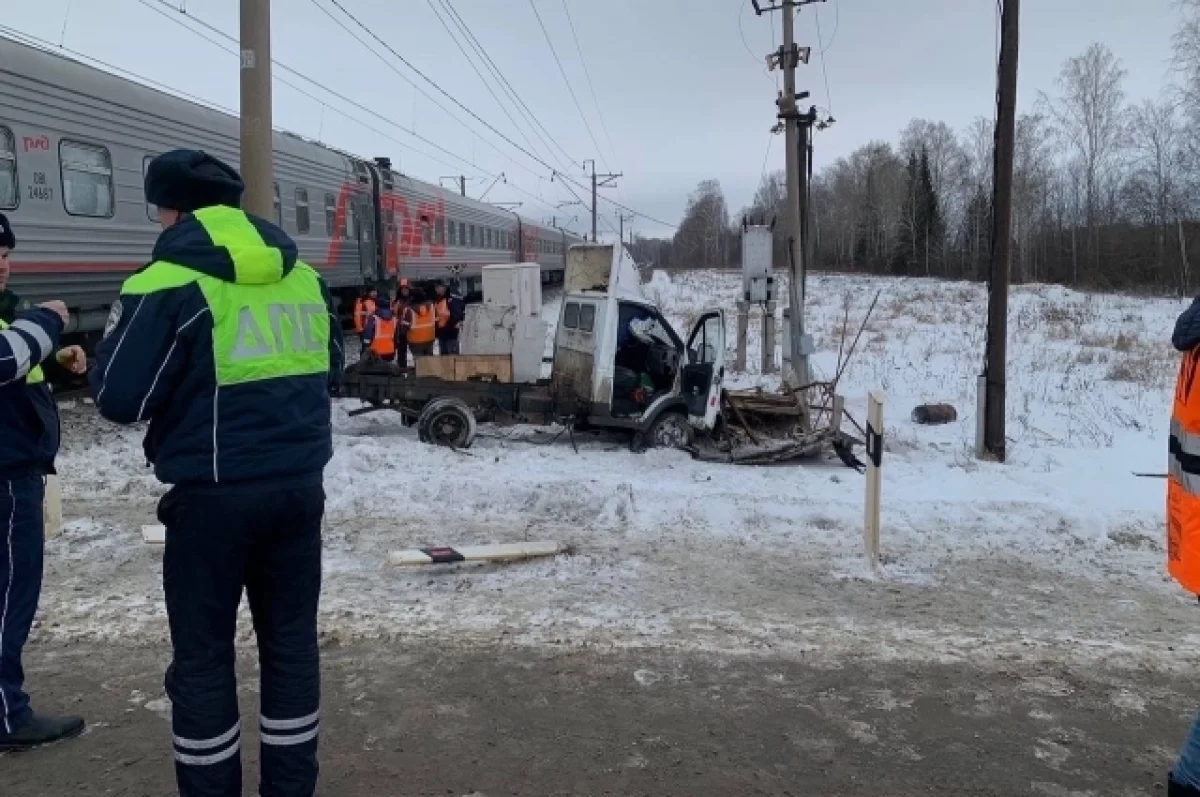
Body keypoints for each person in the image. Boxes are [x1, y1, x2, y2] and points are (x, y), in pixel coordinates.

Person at [90, 150, 342, 797]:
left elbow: (121, 396)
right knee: (291, 651)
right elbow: (330, 371)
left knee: (203, 661)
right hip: (298, 493)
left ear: (167, 209)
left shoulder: (168, 279)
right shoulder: (303, 278)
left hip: (210, 501)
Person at [0, 212, 87, 752]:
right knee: (9, 596)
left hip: (13, 471)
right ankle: (9, 717)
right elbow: (6, 360)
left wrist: (52, 361)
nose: (3, 268)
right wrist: (48, 320)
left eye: (6, 256)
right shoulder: (18, 322)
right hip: (5, 481)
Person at [433, 280, 464, 356]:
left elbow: (457, 315)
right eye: (436, 288)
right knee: (444, 359)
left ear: (444, 288)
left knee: (452, 357)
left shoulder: (451, 299)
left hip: (450, 334)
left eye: (439, 287)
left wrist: (450, 326)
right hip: (441, 334)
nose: (437, 290)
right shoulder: (437, 301)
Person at [362, 299, 398, 364]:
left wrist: (365, 345)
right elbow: (396, 335)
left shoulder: (373, 318)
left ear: (377, 306)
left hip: (375, 351)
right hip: (390, 350)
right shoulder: (394, 318)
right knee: (387, 368)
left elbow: (368, 334)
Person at [407, 289, 437, 358]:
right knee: (429, 361)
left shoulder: (409, 309)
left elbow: (405, 326)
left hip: (415, 340)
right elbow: (436, 320)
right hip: (429, 338)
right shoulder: (431, 306)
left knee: (419, 362)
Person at [391, 279, 414, 367]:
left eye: (406, 288)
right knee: (401, 352)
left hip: (413, 330)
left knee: (415, 352)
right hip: (401, 331)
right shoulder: (396, 302)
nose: (404, 290)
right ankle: (402, 369)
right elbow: (394, 315)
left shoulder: (414, 300)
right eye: (403, 289)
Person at [352, 287, 377, 352]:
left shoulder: (374, 301)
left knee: (372, 347)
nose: (375, 293)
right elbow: (357, 316)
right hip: (365, 329)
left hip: (372, 329)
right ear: (369, 293)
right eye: (373, 292)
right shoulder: (361, 301)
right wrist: (360, 329)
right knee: (366, 347)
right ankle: (364, 360)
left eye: (375, 292)